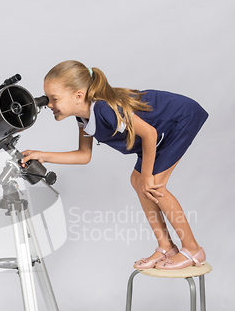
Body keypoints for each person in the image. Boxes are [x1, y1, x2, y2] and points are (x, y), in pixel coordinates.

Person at [21, 60, 208, 270]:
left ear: (79, 96)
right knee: (137, 181)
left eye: (54, 99)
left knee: (153, 184)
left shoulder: (103, 109)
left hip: (180, 118)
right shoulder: (84, 119)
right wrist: (43, 155)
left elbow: (149, 133)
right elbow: (84, 155)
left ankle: (192, 249)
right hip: (160, 130)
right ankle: (166, 246)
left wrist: (148, 176)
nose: (48, 105)